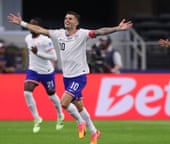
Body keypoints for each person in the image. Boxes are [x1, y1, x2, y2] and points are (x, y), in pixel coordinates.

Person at [7, 11, 132, 144]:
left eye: (70, 19)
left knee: (64, 103)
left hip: (79, 76)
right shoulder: (58, 34)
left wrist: (117, 28)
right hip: (67, 77)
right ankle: (94, 132)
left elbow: (100, 31)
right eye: (66, 18)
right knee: (80, 107)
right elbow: (39, 29)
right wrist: (22, 23)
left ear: (76, 23)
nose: (67, 20)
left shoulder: (82, 34)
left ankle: (80, 122)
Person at [23, 17, 64, 133]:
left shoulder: (46, 40)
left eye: (34, 25)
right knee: (27, 92)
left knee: (51, 95)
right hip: (33, 70)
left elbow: (54, 58)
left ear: (39, 28)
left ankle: (60, 115)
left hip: (46, 72)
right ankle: (37, 118)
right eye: (30, 24)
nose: (31, 27)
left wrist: (38, 53)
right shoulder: (27, 38)